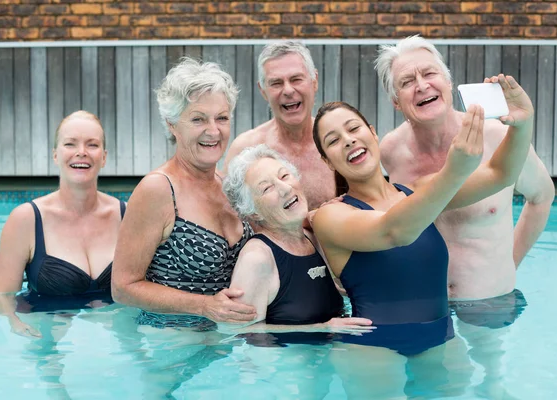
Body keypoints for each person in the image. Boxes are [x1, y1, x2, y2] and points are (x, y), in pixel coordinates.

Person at [310, 73, 534, 396]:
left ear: (373, 132)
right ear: (326, 159)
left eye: (354, 128)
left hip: (440, 340)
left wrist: (523, 124)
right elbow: (393, 231)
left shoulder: (418, 192)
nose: (348, 140)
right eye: (333, 140)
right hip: (373, 349)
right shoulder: (331, 216)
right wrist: (455, 171)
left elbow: (501, 174)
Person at [376, 36, 554, 303]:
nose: (422, 85)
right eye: (407, 82)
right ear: (395, 101)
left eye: (429, 73)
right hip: (423, 305)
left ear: (448, 82)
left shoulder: (497, 138)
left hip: (490, 301)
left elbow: (542, 197)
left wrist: (509, 264)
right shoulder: (391, 151)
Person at [111, 57, 256, 328]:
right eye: (198, 119)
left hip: (226, 342)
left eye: (222, 118)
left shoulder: (229, 186)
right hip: (171, 345)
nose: (213, 131)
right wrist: (204, 306)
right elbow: (122, 287)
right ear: (172, 124)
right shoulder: (158, 189)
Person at [0, 111, 126, 337]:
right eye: (70, 144)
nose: (81, 152)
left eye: (92, 145)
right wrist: (17, 326)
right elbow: (3, 298)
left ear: (104, 156)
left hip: (113, 335)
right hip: (48, 336)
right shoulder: (26, 219)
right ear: (56, 155)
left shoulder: (126, 216)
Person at [219, 144, 372, 335]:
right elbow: (240, 333)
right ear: (253, 212)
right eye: (267, 188)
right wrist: (321, 329)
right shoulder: (257, 258)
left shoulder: (311, 238)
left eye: (284, 176)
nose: (285, 188)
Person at [222, 41, 335, 210]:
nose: (288, 90)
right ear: (263, 91)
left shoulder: (337, 141)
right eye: (276, 83)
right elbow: (230, 217)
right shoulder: (245, 150)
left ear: (314, 81)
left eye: (296, 79)